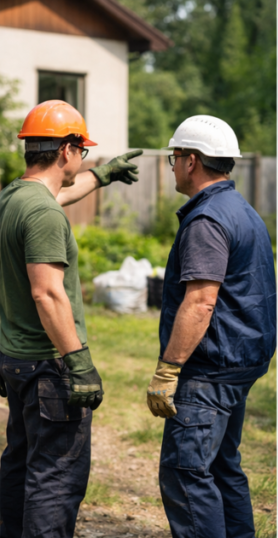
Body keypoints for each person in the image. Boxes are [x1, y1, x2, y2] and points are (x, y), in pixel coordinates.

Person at [0, 100, 141, 537]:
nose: (83, 159)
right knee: (56, 478)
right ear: (66, 150)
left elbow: (60, 193)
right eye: (82, 151)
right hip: (49, 365)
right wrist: (78, 362)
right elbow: (47, 294)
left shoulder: (12, 197)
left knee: (20, 463)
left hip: (16, 362)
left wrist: (101, 176)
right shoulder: (43, 213)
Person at [147, 115, 276, 538]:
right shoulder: (242, 210)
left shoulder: (207, 221)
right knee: (222, 468)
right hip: (238, 364)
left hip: (209, 372)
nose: (171, 165)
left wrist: (168, 369)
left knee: (186, 473)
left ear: (192, 160)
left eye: (174, 157)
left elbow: (201, 302)